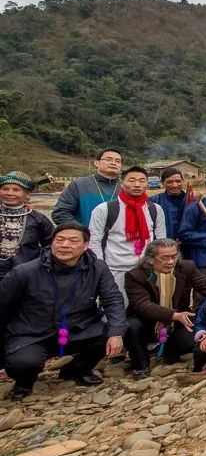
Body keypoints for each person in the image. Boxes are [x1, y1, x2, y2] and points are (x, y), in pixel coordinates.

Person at [0, 222, 126, 400]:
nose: (65, 245)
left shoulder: (98, 268)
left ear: (85, 245)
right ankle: (24, 383)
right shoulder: (24, 272)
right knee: (23, 363)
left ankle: (75, 371)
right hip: (34, 333)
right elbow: (3, 306)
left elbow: (113, 299)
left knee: (113, 332)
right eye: (60, 240)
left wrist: (116, 333)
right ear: (52, 242)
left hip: (78, 329)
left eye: (73, 241)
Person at [123, 239, 206, 378]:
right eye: (164, 258)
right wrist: (174, 315)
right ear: (151, 260)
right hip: (146, 322)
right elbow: (142, 305)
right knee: (131, 327)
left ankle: (169, 353)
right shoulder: (135, 276)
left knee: (192, 337)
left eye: (173, 256)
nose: (170, 262)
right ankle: (141, 365)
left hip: (178, 320)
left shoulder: (186, 267)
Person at [88, 166, 167, 298]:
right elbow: (94, 240)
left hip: (147, 270)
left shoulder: (155, 209)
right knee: (117, 309)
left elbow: (161, 240)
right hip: (116, 271)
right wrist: (101, 269)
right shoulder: (104, 209)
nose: (137, 184)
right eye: (131, 180)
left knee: (147, 310)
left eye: (142, 181)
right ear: (121, 182)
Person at [0, 171, 55, 284]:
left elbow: (51, 246)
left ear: (26, 194)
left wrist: (39, 266)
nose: (10, 193)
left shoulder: (39, 219)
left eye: (16, 190)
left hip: (26, 276)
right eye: (5, 189)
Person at [51, 148, 123, 225]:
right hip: (87, 235)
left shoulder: (127, 187)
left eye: (117, 161)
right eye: (108, 159)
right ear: (96, 163)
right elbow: (60, 213)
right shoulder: (79, 185)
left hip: (120, 236)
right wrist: (81, 231)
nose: (113, 163)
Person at [149, 168, 189, 242]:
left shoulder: (192, 201)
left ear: (183, 181)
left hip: (189, 246)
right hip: (164, 246)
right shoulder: (153, 202)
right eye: (169, 182)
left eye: (178, 181)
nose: (174, 185)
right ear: (162, 182)